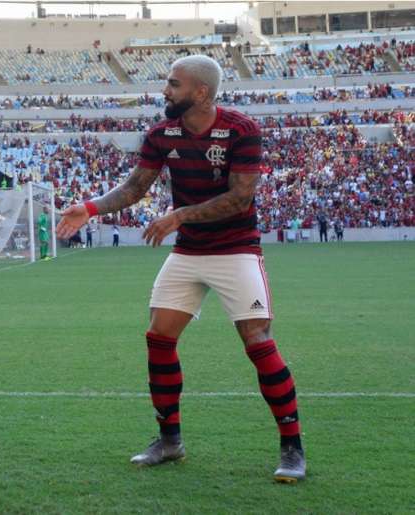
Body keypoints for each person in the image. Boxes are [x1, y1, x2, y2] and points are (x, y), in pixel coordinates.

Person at [57, 55, 305, 483]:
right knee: (158, 338)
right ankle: (170, 441)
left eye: (173, 84)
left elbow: (240, 199)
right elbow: (136, 187)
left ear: (201, 93)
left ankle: (292, 448)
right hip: (189, 252)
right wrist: (91, 208)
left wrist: (181, 215)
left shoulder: (241, 130)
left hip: (236, 249)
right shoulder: (162, 133)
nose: (165, 91)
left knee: (258, 342)